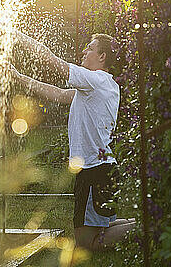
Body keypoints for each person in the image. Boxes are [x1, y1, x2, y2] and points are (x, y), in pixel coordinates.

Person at [10, 31, 136, 251]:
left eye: (89, 48)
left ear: (102, 56)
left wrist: (17, 35)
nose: (84, 51)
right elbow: (58, 94)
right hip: (100, 168)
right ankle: (140, 225)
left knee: (87, 243)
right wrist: (18, 77)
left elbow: (52, 61)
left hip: (94, 170)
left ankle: (146, 227)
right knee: (98, 228)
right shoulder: (99, 86)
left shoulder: (97, 80)